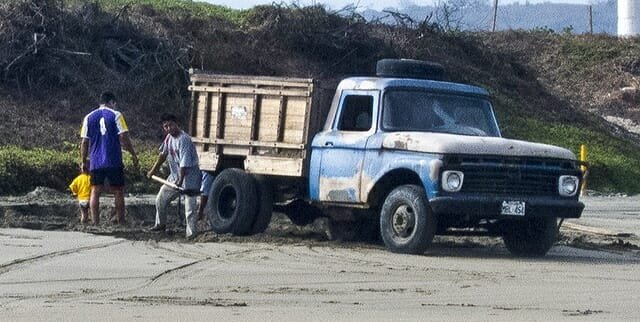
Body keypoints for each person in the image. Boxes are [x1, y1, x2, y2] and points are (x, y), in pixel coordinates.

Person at [80, 92, 139, 225]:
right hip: (113, 160)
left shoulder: (88, 117)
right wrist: (133, 154)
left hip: (96, 160)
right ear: (112, 102)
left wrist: (83, 161)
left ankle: (95, 222)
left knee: (95, 190)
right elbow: (123, 137)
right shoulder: (116, 115)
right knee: (118, 191)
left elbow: (84, 142)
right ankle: (121, 221)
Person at [147, 113, 201, 239]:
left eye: (170, 125)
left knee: (190, 207)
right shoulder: (168, 139)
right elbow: (162, 155)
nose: (168, 128)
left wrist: (180, 181)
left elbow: (185, 164)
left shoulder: (184, 140)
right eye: (165, 126)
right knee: (161, 199)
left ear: (177, 124)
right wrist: (152, 171)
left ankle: (191, 233)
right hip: (175, 176)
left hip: (189, 177)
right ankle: (160, 224)